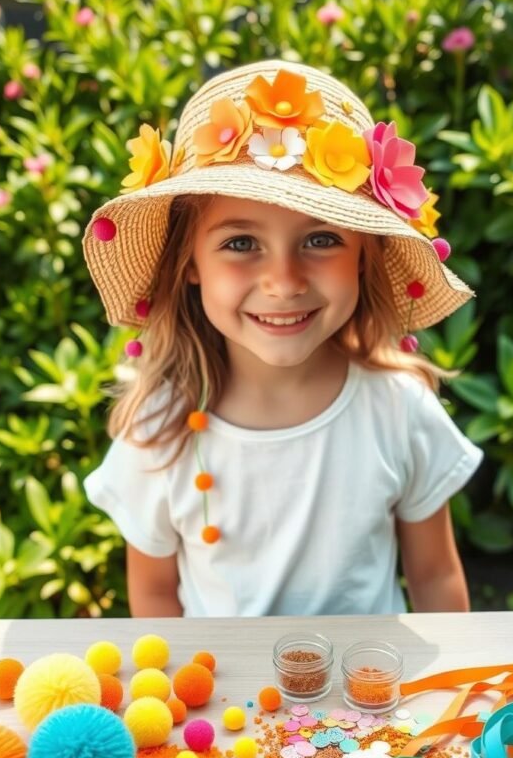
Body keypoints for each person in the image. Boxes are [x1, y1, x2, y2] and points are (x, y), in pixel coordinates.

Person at [82, 59, 483, 618]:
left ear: (365, 256)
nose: (284, 281)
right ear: (189, 262)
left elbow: (436, 577)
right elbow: (153, 594)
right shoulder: (159, 429)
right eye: (241, 244)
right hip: (220, 699)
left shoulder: (398, 407)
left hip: (372, 700)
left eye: (321, 238)